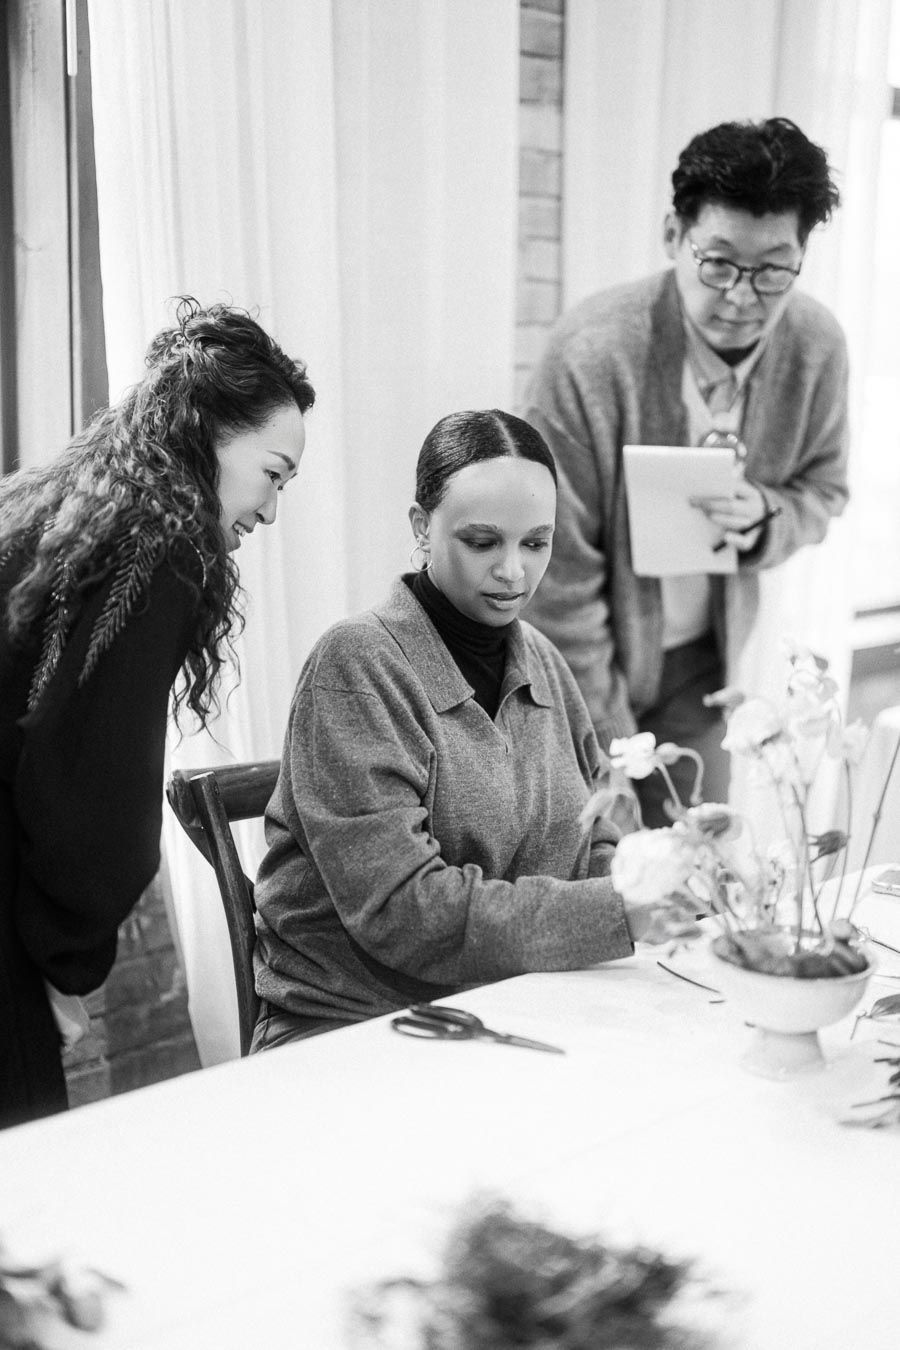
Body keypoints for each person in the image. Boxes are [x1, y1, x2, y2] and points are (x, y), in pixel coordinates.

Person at [251, 409, 689, 1051]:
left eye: (536, 543)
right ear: (422, 528)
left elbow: (593, 841)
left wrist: (665, 883)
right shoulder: (356, 667)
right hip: (356, 1029)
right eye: (483, 542)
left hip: (517, 1005)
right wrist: (620, 912)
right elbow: (406, 914)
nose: (514, 571)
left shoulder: (542, 658)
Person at [0, 297, 314, 1127]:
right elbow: (90, 791)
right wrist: (66, 969)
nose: (271, 510)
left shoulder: (74, 506)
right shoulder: (162, 544)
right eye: (273, 474)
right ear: (210, 431)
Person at [521, 117, 848, 827]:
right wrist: (610, 756)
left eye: (773, 271)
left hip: (701, 662)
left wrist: (769, 516)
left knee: (695, 877)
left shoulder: (815, 347)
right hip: (572, 658)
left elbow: (825, 490)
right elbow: (558, 574)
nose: (741, 297)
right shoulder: (592, 352)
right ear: (674, 236)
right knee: (605, 870)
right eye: (719, 263)